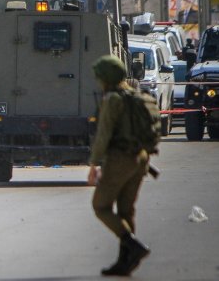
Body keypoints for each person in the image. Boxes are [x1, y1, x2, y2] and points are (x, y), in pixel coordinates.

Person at [89, 55, 151, 276]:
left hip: (121, 159)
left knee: (100, 206)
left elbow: (104, 134)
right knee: (126, 211)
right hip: (141, 159)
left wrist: (94, 164)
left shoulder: (113, 99)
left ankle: (132, 245)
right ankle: (125, 261)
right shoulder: (135, 95)